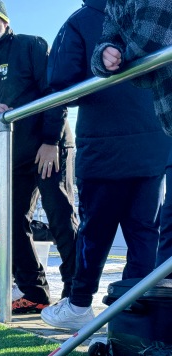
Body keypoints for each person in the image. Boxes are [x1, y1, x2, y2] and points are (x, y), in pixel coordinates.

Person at [40, 0, 171, 330]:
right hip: (156, 143)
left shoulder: (82, 20)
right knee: (145, 233)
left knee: (95, 232)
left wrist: (49, 138)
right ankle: (136, 315)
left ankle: (80, 303)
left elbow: (60, 85)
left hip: (104, 147)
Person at [0, 0, 71, 313]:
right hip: (11, 158)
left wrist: (50, 140)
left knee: (60, 215)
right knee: (10, 223)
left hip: (46, 147)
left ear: (4, 21)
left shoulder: (30, 46)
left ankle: (76, 293)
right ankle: (35, 293)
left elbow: (54, 93)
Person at [91, 0, 172, 278]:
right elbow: (103, 43)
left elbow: (150, 40)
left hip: (154, 134)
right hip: (168, 121)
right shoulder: (113, 4)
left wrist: (121, 61)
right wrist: (105, 55)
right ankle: (159, 311)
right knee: (167, 226)